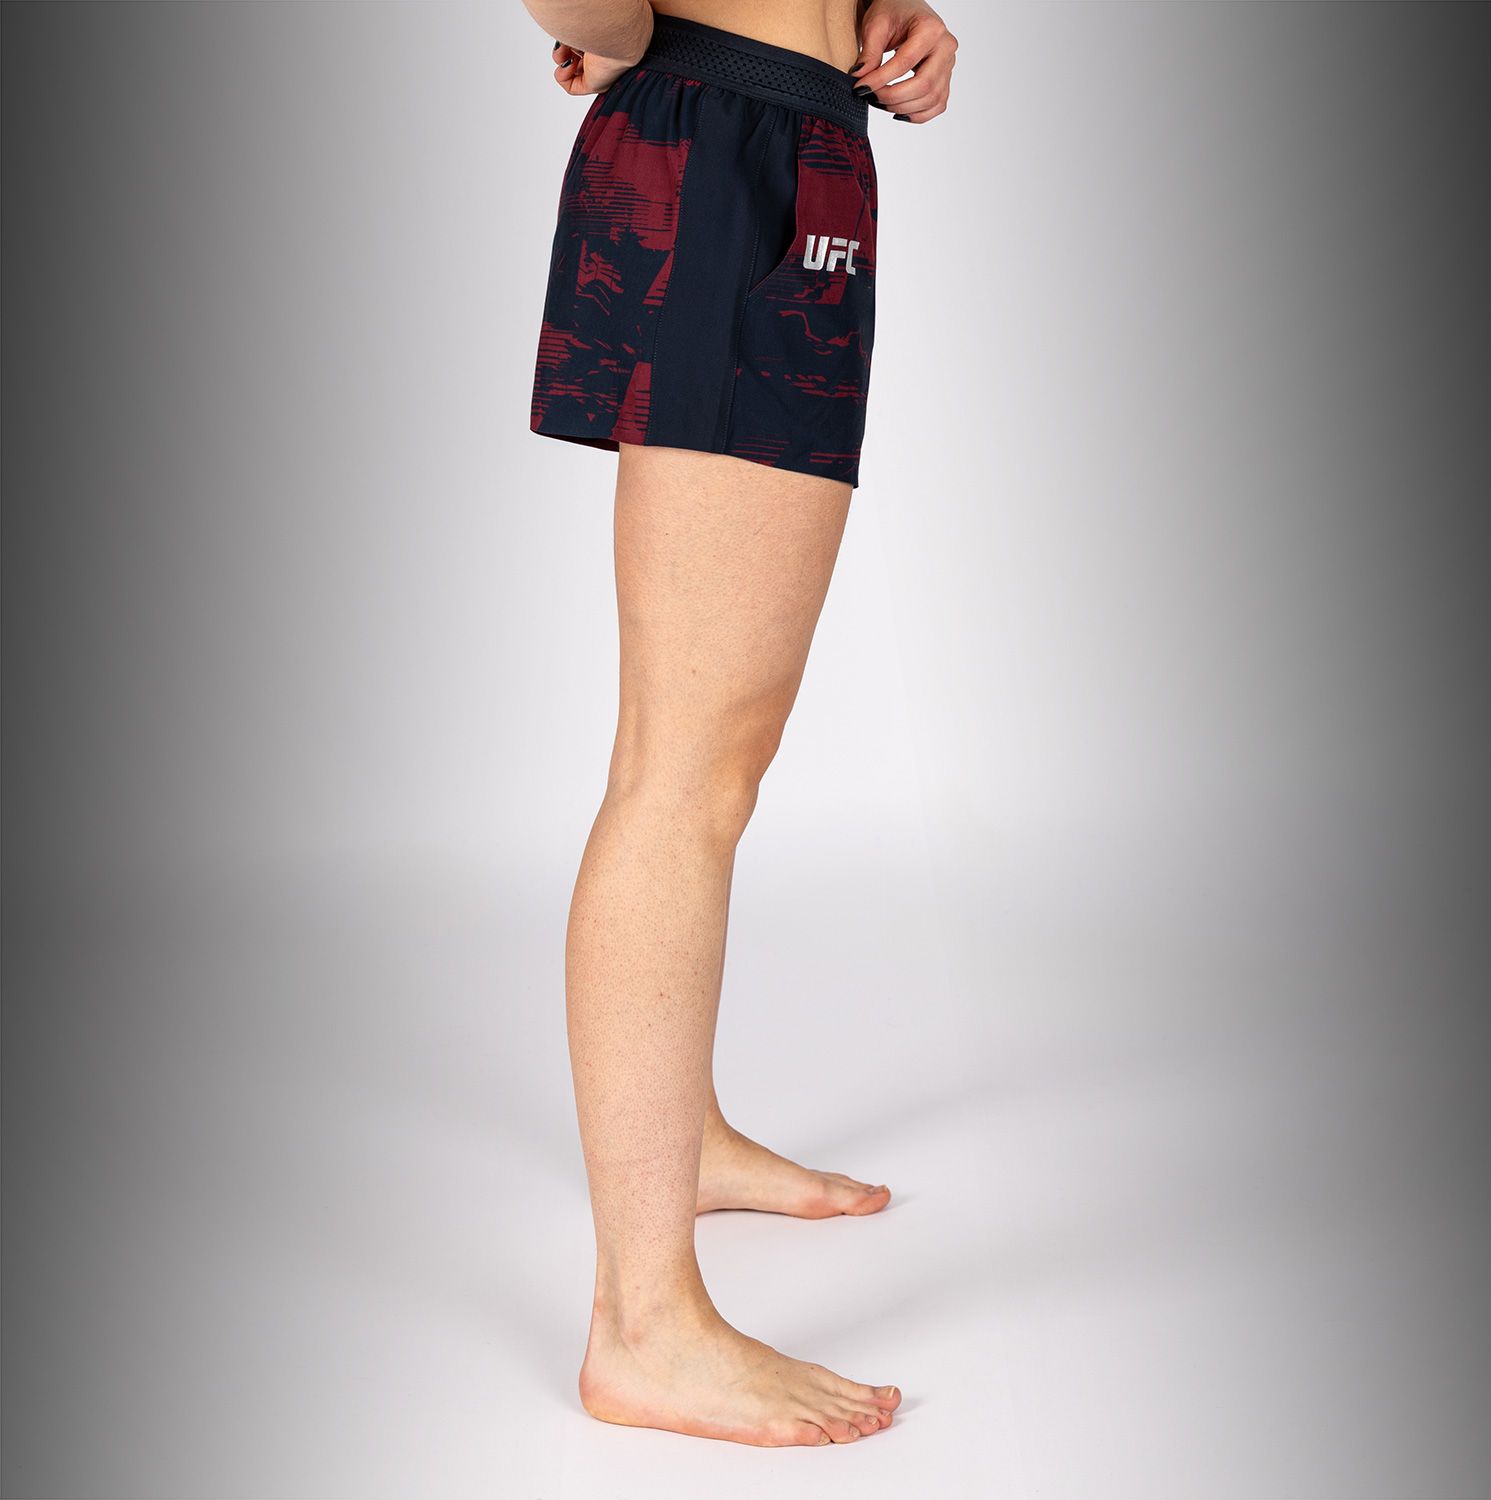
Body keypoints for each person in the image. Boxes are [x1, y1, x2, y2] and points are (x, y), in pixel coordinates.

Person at [522, 0, 958, 1448]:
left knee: (719, 752)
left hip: (795, 139)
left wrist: (882, 17)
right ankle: (643, 1327)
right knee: (684, 770)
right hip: (729, 150)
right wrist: (614, 22)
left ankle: (683, 1139)